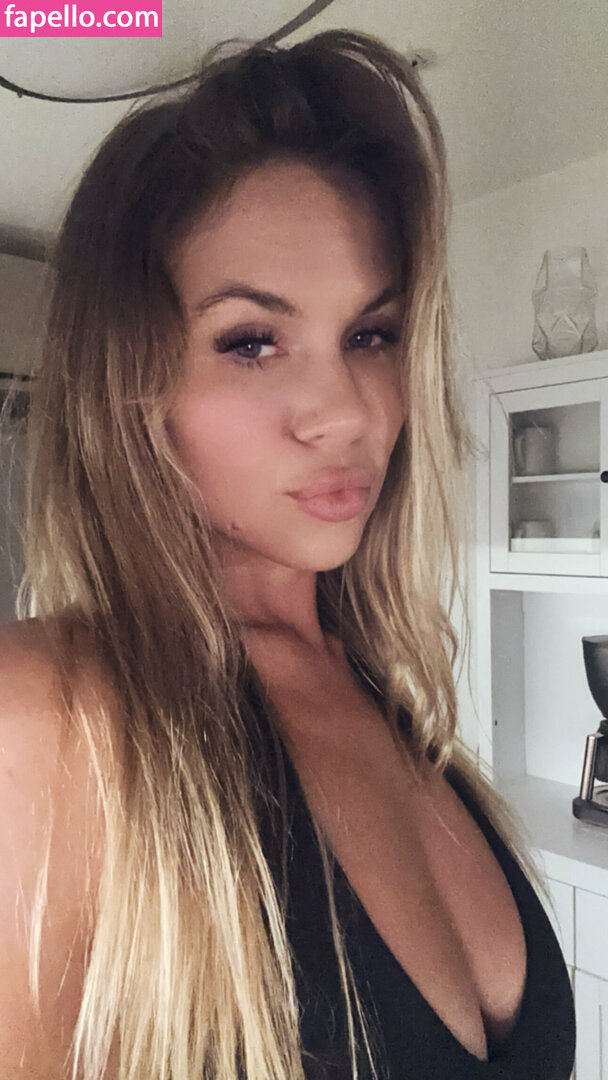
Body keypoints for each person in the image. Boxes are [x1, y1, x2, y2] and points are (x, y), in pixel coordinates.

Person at [0, 28, 575, 1080]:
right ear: (133, 392)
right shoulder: (49, 719)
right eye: (252, 341)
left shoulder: (392, 701)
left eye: (371, 334)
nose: (345, 411)